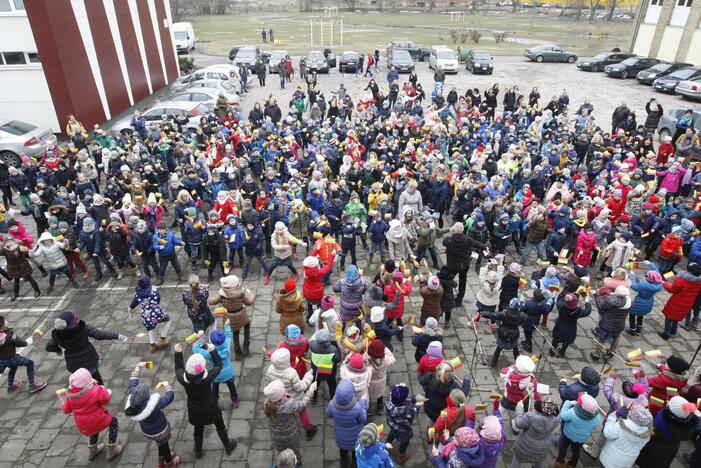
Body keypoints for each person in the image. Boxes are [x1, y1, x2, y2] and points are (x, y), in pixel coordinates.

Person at [174, 343, 237, 459]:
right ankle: (228, 446)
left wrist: (178, 353)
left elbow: (178, 368)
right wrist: (212, 350)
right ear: (202, 369)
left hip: (195, 412)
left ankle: (198, 452)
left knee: (198, 431)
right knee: (220, 426)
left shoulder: (182, 379)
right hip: (211, 409)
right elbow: (218, 365)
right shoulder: (208, 377)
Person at [46, 310, 126, 384]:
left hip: (74, 365)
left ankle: (89, 396)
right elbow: (99, 334)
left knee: (83, 383)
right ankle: (102, 394)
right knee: (96, 379)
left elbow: (49, 347)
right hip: (89, 360)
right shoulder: (83, 328)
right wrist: (117, 336)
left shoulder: (57, 335)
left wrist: (58, 350)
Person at [61, 368, 123, 461]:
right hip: (98, 418)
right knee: (113, 422)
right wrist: (102, 389)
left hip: (83, 424)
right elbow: (106, 400)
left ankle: (93, 450)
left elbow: (66, 410)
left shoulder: (70, 395)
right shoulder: (96, 389)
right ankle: (111, 450)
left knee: (92, 431)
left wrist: (63, 403)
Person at [125, 362, 180, 467]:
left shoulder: (133, 401)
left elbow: (132, 383)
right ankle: (169, 463)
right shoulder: (154, 405)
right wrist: (167, 386)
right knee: (164, 444)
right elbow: (169, 397)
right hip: (161, 430)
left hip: (148, 431)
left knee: (159, 443)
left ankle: (161, 460)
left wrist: (138, 367)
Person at [266, 348, 318, 440]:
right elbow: (300, 387)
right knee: (302, 412)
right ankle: (309, 430)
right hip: (295, 397)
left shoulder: (270, 369)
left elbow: (268, 379)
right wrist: (308, 377)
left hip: (279, 397)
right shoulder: (291, 373)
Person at [264, 379, 317, 464]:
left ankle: (284, 462)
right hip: (291, 438)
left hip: (276, 438)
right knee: (295, 454)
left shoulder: (267, 403)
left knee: (282, 453)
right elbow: (303, 404)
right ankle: (297, 464)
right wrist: (311, 391)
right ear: (282, 395)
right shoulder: (289, 404)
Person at [637, 396, 699, 468]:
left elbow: (652, 428)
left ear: (671, 412)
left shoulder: (662, 421)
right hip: (671, 450)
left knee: (648, 463)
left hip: (654, 447)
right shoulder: (687, 425)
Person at [193, 321, 239, 408]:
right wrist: (227, 325)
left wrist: (198, 338)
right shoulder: (227, 344)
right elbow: (229, 335)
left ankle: (214, 402)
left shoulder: (209, 353)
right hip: (229, 373)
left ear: (212, 342)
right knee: (231, 386)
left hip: (216, 375)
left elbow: (196, 349)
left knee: (215, 388)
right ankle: (235, 400)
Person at [208, 275, 255, 359]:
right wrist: (252, 294)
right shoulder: (241, 293)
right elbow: (249, 302)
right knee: (247, 325)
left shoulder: (221, 294)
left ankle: (237, 352)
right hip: (241, 314)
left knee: (235, 332)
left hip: (229, 317)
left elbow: (211, 302)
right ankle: (246, 346)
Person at [326, 379, 367, 468]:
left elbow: (328, 414)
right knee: (355, 451)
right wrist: (363, 404)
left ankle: (343, 463)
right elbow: (363, 419)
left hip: (340, 436)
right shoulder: (357, 407)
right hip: (355, 436)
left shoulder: (332, 404)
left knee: (343, 451)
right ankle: (354, 463)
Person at [0, 316, 46, 393]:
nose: (6, 321)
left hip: (2, 360)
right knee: (29, 363)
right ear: (3, 326)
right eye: (5, 321)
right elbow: (20, 343)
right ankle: (32, 385)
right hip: (12, 358)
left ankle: (10, 386)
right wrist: (29, 341)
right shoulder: (10, 334)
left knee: (13, 367)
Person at [510, 398, 560, 468]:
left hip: (525, 446)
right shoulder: (556, 419)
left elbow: (518, 424)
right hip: (543, 447)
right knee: (539, 461)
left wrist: (519, 410)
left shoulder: (530, 417)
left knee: (517, 459)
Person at [554, 394, 601, 468]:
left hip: (568, 435)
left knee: (563, 446)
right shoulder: (597, 417)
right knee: (576, 451)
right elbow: (593, 428)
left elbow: (562, 415)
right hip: (581, 438)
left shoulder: (573, 412)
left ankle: (560, 462)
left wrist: (568, 403)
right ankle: (572, 464)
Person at [128, 275, 171, 353]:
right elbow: (158, 299)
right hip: (156, 313)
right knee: (168, 320)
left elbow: (135, 301)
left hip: (146, 316)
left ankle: (152, 345)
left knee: (151, 328)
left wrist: (130, 307)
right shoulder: (154, 290)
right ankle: (163, 339)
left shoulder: (138, 292)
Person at [659, 262, 701, 340]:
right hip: (688, 303)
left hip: (677, 302)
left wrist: (664, 283)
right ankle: (673, 330)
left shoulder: (682, 280)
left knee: (669, 317)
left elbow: (671, 289)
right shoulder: (699, 281)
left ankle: (666, 334)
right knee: (677, 316)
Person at [590, 285, 631, 362]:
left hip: (606, 324)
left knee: (601, 339)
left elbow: (600, 306)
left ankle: (596, 355)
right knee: (616, 338)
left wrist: (596, 295)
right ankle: (611, 352)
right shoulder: (629, 302)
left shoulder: (610, 301)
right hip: (619, 325)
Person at [385, 383, 424, 465]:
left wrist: (399, 388)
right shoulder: (408, 410)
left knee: (393, 432)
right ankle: (401, 456)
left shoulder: (389, 397)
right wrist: (418, 404)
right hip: (403, 430)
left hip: (392, 423)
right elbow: (413, 414)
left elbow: (398, 395)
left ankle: (387, 443)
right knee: (404, 441)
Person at [551, 292, 592, 358]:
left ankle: (552, 352)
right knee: (566, 342)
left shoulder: (561, 306)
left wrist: (569, 296)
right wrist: (586, 301)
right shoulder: (578, 312)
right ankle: (562, 353)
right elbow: (588, 310)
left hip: (560, 327)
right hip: (571, 330)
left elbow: (560, 300)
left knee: (555, 340)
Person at [627, 263, 663, 335]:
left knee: (632, 314)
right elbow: (657, 274)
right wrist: (651, 264)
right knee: (641, 315)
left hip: (639, 302)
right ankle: (638, 330)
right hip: (649, 302)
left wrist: (632, 275)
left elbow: (633, 285)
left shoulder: (643, 285)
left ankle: (632, 330)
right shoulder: (658, 284)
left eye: (647, 275)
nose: (646, 276)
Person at [152, 221, 186, 285]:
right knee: (162, 267)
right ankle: (160, 278)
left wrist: (180, 243)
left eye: (162, 229)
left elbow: (174, 241)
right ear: (157, 229)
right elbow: (154, 245)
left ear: (165, 229)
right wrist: (159, 247)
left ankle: (180, 275)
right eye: (160, 229)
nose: (161, 231)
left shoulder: (170, 234)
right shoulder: (155, 237)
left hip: (172, 253)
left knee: (176, 265)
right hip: (163, 255)